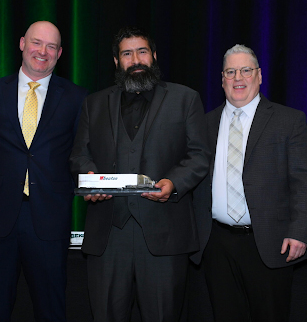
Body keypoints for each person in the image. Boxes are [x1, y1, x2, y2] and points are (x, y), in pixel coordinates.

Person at [70, 25, 209, 322]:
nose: (135, 59)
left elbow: (199, 155)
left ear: (154, 56)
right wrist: (92, 179)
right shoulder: (93, 104)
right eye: (127, 53)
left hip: (165, 235)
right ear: (117, 61)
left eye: (142, 51)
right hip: (108, 235)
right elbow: (80, 155)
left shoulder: (185, 99)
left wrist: (173, 182)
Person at [193, 44, 307, 322]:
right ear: (222, 79)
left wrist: (299, 231)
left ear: (259, 76)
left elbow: (304, 180)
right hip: (217, 244)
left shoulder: (289, 120)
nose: (238, 78)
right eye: (231, 71)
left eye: (246, 71)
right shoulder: (204, 123)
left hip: (271, 243)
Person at [0, 21, 88, 322]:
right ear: (22, 43)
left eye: (52, 46)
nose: (43, 51)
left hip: (50, 220)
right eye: (37, 43)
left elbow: (83, 155)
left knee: (51, 309)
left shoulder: (77, 98)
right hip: (2, 216)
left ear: (60, 53)